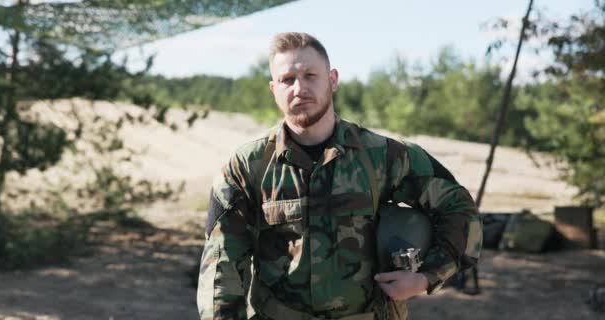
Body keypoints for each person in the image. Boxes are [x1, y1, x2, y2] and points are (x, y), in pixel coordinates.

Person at [197, 32, 482, 320]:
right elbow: (222, 261)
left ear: (332, 80)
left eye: (311, 75)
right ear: (273, 89)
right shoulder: (247, 167)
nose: (299, 88)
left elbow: (460, 210)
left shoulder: (382, 156)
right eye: (287, 80)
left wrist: (426, 277)